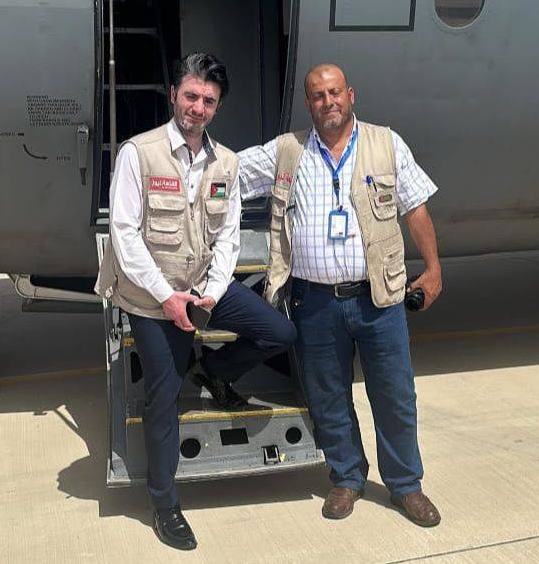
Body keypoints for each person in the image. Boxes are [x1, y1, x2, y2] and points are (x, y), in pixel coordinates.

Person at [96, 52, 296, 551]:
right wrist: (167, 297)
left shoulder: (226, 162)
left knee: (279, 332)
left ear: (217, 106)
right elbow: (124, 233)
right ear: (174, 95)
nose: (198, 107)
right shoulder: (138, 154)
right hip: (151, 296)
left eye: (208, 100)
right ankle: (165, 503)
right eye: (191, 96)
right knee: (163, 395)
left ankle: (214, 370)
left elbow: (228, 234)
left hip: (204, 285)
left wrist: (214, 289)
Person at [238, 64, 443, 527]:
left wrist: (433, 267)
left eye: (334, 93)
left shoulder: (385, 143)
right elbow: (229, 172)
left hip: (378, 298)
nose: (327, 101)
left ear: (350, 95)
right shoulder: (287, 151)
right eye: (318, 95)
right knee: (328, 395)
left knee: (394, 395)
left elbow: (415, 206)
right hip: (314, 302)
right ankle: (347, 477)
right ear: (308, 103)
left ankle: (406, 485)